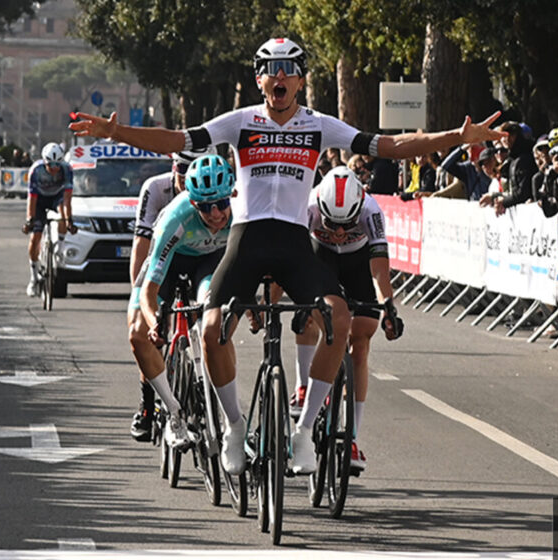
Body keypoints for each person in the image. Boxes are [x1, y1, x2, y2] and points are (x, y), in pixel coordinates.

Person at [70, 37, 504, 476]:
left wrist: (455, 136)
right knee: (212, 329)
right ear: (259, 79)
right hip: (247, 240)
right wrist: (116, 132)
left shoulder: (319, 125)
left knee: (338, 319)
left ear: (300, 80)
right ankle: (236, 428)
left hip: (296, 244)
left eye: (288, 69)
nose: (279, 76)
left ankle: (303, 433)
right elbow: (178, 139)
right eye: (270, 70)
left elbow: (388, 146)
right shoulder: (241, 122)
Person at [288, 166, 400, 471]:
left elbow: (379, 267)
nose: (338, 232)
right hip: (319, 256)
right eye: (332, 224)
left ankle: (351, 437)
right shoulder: (308, 205)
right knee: (312, 314)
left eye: (346, 225)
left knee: (361, 341)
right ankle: (302, 386)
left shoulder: (371, 210)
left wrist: (387, 303)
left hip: (357, 263)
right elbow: (293, 258)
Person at [128, 154, 235, 449]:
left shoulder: (242, 212)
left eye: (222, 204)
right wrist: (153, 324)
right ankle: (173, 411)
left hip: (211, 263)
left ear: (232, 195)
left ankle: (230, 419)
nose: (215, 215)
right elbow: (149, 289)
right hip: (171, 263)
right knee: (137, 334)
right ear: (193, 203)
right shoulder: (176, 218)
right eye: (205, 207)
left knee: (217, 323)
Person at [22, 142, 75, 297]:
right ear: (44, 162)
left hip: (56, 198)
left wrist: (69, 220)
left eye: (57, 164)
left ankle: (59, 248)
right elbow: (31, 199)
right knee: (35, 237)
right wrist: (29, 220)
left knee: (63, 217)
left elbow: (67, 200)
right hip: (39, 200)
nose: (54, 168)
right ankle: (33, 277)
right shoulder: (36, 171)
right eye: (50, 164)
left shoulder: (67, 170)